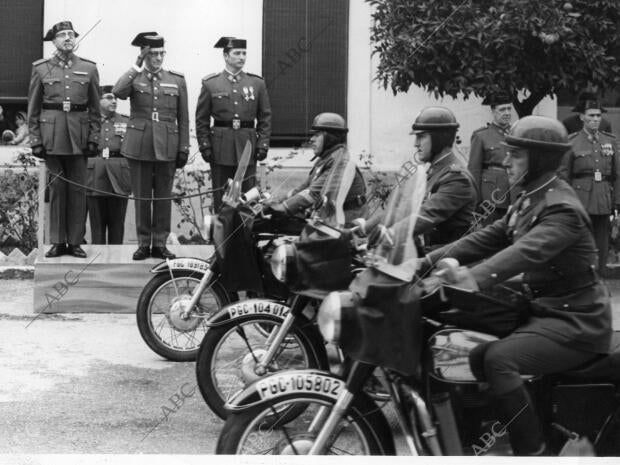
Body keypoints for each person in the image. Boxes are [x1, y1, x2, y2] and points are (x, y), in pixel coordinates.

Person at [421, 116, 612, 456]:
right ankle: (473, 437)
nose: (506, 161)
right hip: (545, 310)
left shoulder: (562, 208)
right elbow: (487, 237)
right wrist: (424, 262)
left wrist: (474, 277)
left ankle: (531, 452)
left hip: (577, 320)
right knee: (466, 347)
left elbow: (524, 252)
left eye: (516, 155)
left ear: (540, 159)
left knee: (498, 360)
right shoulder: (530, 197)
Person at [113, 32, 189, 260]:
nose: (158, 58)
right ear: (144, 54)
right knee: (142, 198)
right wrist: (136, 66)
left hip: (167, 145)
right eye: (153, 53)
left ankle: (160, 244)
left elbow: (183, 118)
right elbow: (118, 91)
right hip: (140, 145)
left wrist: (183, 147)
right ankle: (144, 243)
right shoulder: (135, 77)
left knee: (163, 198)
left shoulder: (176, 79)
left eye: (161, 53)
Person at [28, 20, 101, 258]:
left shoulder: (88, 68)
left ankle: (75, 240)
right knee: (58, 188)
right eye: (63, 35)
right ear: (54, 40)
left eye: (71, 34)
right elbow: (34, 108)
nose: (68, 38)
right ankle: (59, 241)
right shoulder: (41, 68)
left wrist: (94, 137)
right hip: (53, 135)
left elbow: (95, 108)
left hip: (79, 136)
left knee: (78, 190)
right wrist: (36, 140)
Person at [359, 107, 477, 253]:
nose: (416, 143)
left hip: (447, 258)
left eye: (421, 137)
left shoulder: (457, 178)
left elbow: (427, 214)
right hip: (425, 252)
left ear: (439, 137)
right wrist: (364, 226)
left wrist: (391, 234)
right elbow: (403, 211)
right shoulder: (434, 171)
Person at [195, 36, 272, 212]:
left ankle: (244, 237)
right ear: (226, 56)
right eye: (237, 53)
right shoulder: (211, 84)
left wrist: (263, 144)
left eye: (244, 53)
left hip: (247, 146)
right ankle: (222, 236)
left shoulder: (257, 83)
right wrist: (205, 145)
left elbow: (265, 117)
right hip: (221, 147)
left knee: (247, 196)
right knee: (221, 195)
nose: (241, 57)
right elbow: (202, 119)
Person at [264, 112, 366, 224]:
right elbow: (303, 188)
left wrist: (283, 208)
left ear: (330, 138)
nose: (311, 139)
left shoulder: (340, 162)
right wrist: (275, 201)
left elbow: (312, 193)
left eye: (317, 135)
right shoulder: (325, 160)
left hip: (348, 223)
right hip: (332, 218)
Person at [558, 98, 620, 274]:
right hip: (580, 200)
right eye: (591, 115)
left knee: (602, 244)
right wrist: (566, 202)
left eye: (598, 116)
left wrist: (617, 202)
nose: (595, 119)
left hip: (603, 199)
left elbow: (617, 174)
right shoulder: (571, 141)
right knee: (580, 243)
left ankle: (598, 280)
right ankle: (581, 280)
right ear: (582, 117)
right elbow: (563, 175)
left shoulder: (610, 141)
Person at [86, 86, 131, 244]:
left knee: (117, 225)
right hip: (94, 175)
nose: (114, 101)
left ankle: (116, 260)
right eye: (109, 97)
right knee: (96, 226)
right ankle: (97, 262)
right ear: (98, 100)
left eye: (115, 99)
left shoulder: (125, 121)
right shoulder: (89, 121)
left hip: (118, 176)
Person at [468, 93, 514, 225]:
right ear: (493, 111)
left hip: (513, 194)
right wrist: (476, 201)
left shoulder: (516, 134)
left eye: (509, 109)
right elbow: (474, 170)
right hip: (491, 197)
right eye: (502, 109)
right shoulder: (481, 136)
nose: (507, 113)